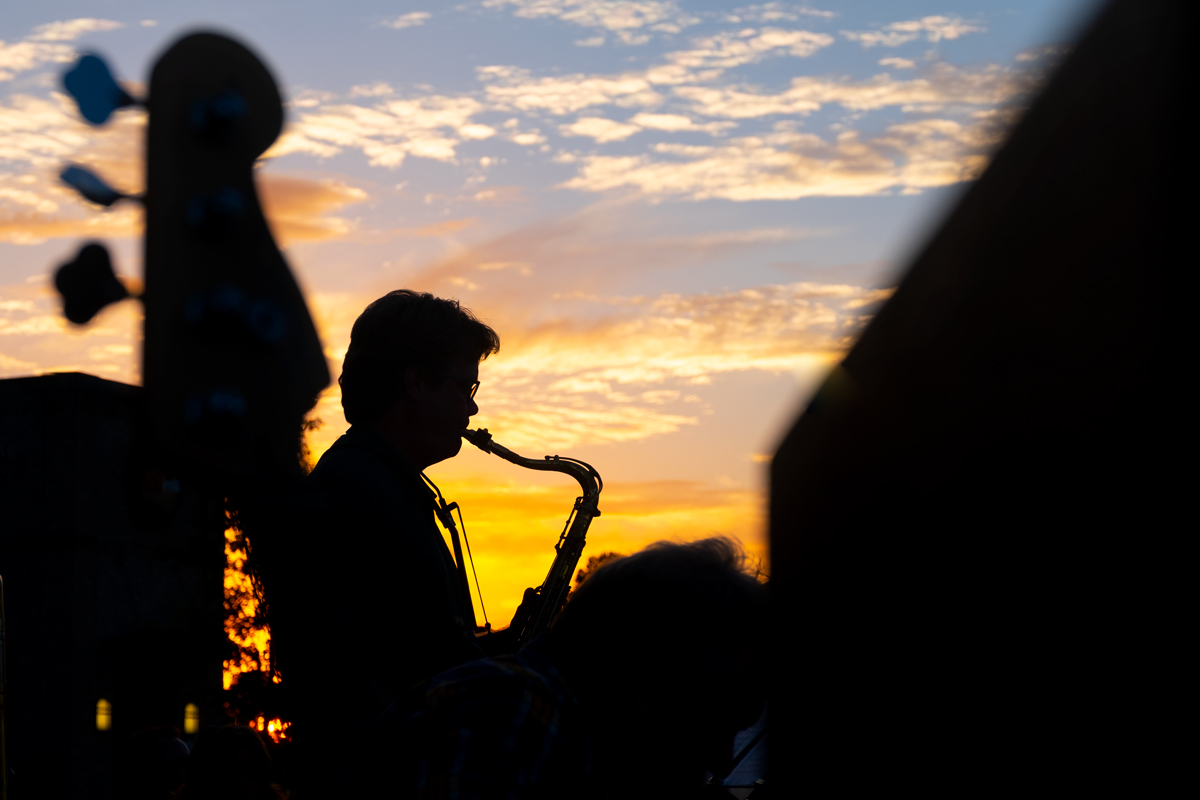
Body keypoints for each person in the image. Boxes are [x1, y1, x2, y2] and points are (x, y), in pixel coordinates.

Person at [273, 290, 503, 794]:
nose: (473, 406)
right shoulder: (361, 488)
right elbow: (415, 662)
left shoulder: (375, 481)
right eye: (466, 386)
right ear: (416, 382)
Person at [383, 537, 769, 799]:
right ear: (657, 687)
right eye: (719, 728)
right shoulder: (511, 713)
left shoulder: (544, 719)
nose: (721, 760)